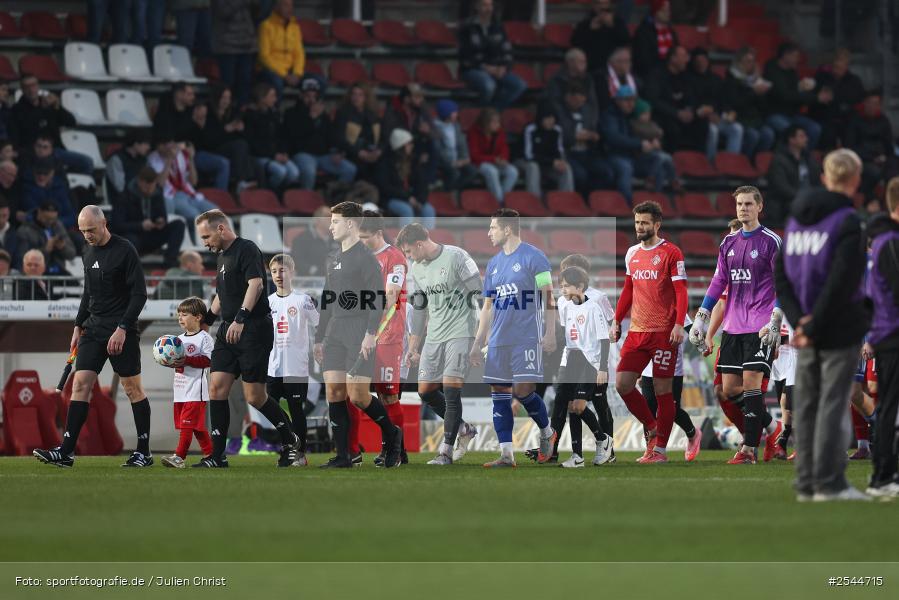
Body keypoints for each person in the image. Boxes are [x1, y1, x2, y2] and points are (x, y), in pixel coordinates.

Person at [774, 149, 871, 501]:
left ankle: (807, 482)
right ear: (855, 180)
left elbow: (781, 277)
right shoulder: (848, 221)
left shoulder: (796, 220)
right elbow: (842, 280)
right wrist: (813, 323)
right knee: (832, 405)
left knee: (809, 405)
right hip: (837, 327)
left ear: (824, 177)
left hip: (803, 329)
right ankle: (830, 483)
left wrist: (799, 320)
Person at [34, 206, 152, 468]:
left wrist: (122, 328)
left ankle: (143, 451)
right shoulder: (87, 252)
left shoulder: (125, 250)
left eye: (91, 229)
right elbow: (88, 293)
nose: (86, 235)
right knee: (80, 385)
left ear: (104, 223)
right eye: (82, 230)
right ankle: (66, 451)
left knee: (132, 388)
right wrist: (78, 326)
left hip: (121, 330)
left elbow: (139, 295)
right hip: (93, 329)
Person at [193, 209, 301, 468]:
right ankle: (217, 456)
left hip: (253, 328)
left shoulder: (247, 249)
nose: (204, 242)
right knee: (216, 388)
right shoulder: (221, 257)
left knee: (254, 396)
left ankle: (290, 440)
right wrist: (207, 321)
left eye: (206, 236)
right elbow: (221, 295)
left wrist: (241, 319)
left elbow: (257, 285)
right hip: (228, 329)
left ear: (221, 228)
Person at [690, 186, 785, 465]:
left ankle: (748, 450)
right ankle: (772, 429)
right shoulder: (728, 243)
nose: (743, 208)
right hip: (733, 326)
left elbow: (782, 283)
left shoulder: (771, 241)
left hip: (760, 326)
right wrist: (703, 315)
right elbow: (719, 281)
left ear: (759, 207)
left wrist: (775, 318)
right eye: (739, 204)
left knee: (752, 384)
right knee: (730, 389)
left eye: (747, 204)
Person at [312, 201, 404, 469]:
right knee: (334, 392)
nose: (330, 226)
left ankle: (392, 433)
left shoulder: (366, 258)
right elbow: (326, 299)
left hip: (358, 331)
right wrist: (319, 337)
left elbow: (377, 300)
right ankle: (344, 455)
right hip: (335, 331)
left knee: (359, 396)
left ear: (350, 224)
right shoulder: (333, 257)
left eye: (335, 221)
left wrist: (369, 334)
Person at [469, 208, 557, 467]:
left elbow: (548, 297)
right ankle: (506, 454)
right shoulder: (494, 264)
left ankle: (547, 431)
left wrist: (549, 332)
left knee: (522, 390)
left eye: (493, 227)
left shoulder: (535, 258)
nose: (489, 233)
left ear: (507, 229)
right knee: (499, 392)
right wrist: (478, 342)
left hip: (526, 337)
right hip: (498, 340)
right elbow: (487, 307)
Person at [610, 201, 687, 464]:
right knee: (622, 384)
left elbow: (681, 291)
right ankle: (652, 427)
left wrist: (678, 324)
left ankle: (660, 451)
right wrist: (616, 320)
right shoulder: (631, 253)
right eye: (637, 222)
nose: (639, 227)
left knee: (663, 389)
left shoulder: (671, 253)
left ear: (657, 224)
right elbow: (628, 289)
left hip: (664, 332)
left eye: (644, 223)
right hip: (637, 331)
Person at [397, 223, 481, 465]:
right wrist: (413, 346)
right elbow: (421, 310)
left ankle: (445, 452)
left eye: (409, 251)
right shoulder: (417, 268)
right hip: (434, 336)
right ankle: (464, 428)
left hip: (460, 332)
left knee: (451, 390)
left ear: (420, 244)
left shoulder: (457, 257)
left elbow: (479, 294)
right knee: (426, 391)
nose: (408, 257)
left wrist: (480, 336)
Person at [358, 213, 411, 465]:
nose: (361, 241)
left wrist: (372, 326)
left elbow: (391, 295)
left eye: (364, 237)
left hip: (388, 334)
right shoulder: (364, 258)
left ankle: (398, 450)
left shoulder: (394, 257)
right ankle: (389, 447)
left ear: (377, 233)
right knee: (375, 395)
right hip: (366, 335)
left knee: (389, 395)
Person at [555, 266, 613, 468]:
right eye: (561, 286)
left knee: (579, 406)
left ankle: (602, 439)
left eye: (567, 286)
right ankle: (577, 456)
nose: (563, 290)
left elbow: (604, 340)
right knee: (572, 407)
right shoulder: (567, 307)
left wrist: (602, 368)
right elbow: (570, 339)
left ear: (580, 286)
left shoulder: (593, 308)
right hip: (573, 360)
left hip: (590, 362)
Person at [863, 178, 899, 497]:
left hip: (886, 333)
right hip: (893, 336)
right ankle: (884, 475)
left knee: (888, 405)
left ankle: (886, 473)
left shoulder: (884, 240)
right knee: (888, 406)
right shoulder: (891, 243)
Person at [267, 253, 320, 467]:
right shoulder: (267, 302)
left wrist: (319, 345)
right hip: (272, 365)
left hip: (295, 365)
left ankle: (299, 454)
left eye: (282, 270)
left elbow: (319, 324)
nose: (279, 275)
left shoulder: (303, 300)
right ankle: (288, 446)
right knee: (271, 409)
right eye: (274, 271)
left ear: (292, 272)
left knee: (296, 410)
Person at [639, 312, 702, 461]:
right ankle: (651, 448)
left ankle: (693, 434)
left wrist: (703, 344)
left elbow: (691, 331)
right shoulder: (645, 306)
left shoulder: (676, 308)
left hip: (672, 367)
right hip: (649, 367)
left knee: (670, 409)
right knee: (648, 407)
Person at [161, 297, 215, 468]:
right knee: (197, 427)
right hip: (180, 390)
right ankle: (212, 455)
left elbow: (208, 360)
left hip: (195, 390)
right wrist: (168, 361)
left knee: (187, 424)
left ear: (198, 317)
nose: (180, 318)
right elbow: (179, 363)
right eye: (179, 314)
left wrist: (187, 360)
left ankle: (179, 457)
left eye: (184, 314)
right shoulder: (177, 340)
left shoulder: (204, 338)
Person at [601, 85, 676, 201]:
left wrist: (654, 142)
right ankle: (627, 204)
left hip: (633, 156)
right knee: (625, 168)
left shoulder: (633, 115)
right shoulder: (609, 116)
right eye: (627, 100)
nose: (630, 104)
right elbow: (614, 138)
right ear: (617, 100)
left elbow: (647, 133)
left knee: (659, 167)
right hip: (614, 155)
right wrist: (640, 144)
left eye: (633, 100)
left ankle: (655, 203)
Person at [9, 75, 92, 175]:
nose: (31, 90)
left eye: (33, 85)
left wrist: (57, 107)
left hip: (55, 151)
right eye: (27, 87)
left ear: (38, 86)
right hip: (33, 153)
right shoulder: (17, 110)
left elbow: (71, 122)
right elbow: (17, 138)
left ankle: (68, 184)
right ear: (22, 89)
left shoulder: (49, 105)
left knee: (86, 163)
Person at [153, 82, 230, 191]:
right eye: (189, 94)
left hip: (193, 153)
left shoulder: (191, 111)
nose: (193, 97)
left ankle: (221, 198)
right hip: (172, 155)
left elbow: (203, 141)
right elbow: (164, 142)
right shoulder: (164, 114)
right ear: (179, 95)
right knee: (222, 163)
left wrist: (201, 125)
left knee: (223, 161)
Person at [286, 76, 357, 191]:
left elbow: (331, 135)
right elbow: (295, 136)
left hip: (323, 155)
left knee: (350, 169)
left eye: (314, 96)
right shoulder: (291, 113)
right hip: (303, 154)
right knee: (309, 172)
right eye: (308, 96)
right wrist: (311, 118)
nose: (311, 100)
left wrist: (336, 152)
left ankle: (334, 195)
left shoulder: (323, 115)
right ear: (301, 96)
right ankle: (306, 201)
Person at [147, 130, 219, 239]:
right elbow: (160, 184)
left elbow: (194, 182)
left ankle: (218, 243)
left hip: (188, 193)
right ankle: (199, 244)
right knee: (195, 215)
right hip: (170, 195)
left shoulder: (181, 155)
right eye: (168, 144)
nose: (172, 147)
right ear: (160, 146)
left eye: (172, 143)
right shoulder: (153, 158)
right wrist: (169, 159)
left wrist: (190, 158)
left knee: (215, 212)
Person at [112, 166, 187, 268]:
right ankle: (131, 267)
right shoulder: (124, 197)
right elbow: (117, 225)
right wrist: (140, 225)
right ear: (140, 182)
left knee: (179, 224)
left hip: (152, 234)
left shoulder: (157, 193)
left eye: (152, 186)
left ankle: (170, 261)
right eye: (147, 187)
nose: (150, 190)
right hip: (133, 236)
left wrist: (161, 221)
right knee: (131, 240)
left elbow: (162, 215)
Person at [457, 0, 527, 109]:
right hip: (472, 69)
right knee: (489, 86)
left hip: (497, 68)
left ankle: (494, 112)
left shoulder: (498, 26)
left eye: (490, 5)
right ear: (477, 7)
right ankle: (481, 113)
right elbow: (466, 56)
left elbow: (507, 50)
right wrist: (487, 68)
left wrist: (504, 67)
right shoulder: (467, 27)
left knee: (520, 85)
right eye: (485, 5)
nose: (488, 8)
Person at [643, 45, 711, 155]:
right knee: (672, 128)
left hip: (682, 114)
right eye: (683, 56)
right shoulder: (657, 74)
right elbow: (653, 100)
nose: (687, 60)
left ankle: (699, 160)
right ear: (673, 58)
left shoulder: (684, 76)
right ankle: (671, 161)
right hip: (663, 115)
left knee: (703, 124)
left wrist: (691, 110)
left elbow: (690, 97)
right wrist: (676, 113)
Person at [763, 42, 830, 151]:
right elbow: (785, 95)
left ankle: (804, 158)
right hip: (774, 113)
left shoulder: (793, 72)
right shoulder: (771, 71)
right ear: (785, 55)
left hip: (792, 114)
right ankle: (790, 159)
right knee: (792, 132)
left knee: (815, 128)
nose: (797, 59)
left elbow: (796, 95)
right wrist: (815, 97)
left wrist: (807, 91)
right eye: (795, 56)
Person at [556, 81, 613, 196]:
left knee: (607, 172)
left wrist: (593, 136)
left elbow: (595, 131)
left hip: (587, 153)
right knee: (580, 175)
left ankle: (592, 198)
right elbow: (556, 136)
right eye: (576, 99)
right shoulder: (559, 113)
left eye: (582, 100)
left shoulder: (587, 112)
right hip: (568, 153)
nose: (579, 102)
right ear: (568, 97)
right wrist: (574, 137)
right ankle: (581, 200)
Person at [196, 85, 256, 192]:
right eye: (223, 98)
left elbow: (239, 138)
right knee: (239, 146)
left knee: (247, 153)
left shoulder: (231, 113)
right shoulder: (208, 112)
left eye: (228, 98)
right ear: (216, 97)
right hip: (209, 150)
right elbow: (208, 141)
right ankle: (239, 183)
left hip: (226, 150)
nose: (226, 101)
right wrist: (225, 130)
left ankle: (252, 195)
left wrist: (240, 130)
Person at [688, 47, 744, 160]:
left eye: (703, 60)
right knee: (712, 130)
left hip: (718, 116)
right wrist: (706, 115)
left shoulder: (716, 79)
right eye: (698, 61)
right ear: (693, 62)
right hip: (699, 119)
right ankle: (710, 162)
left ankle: (730, 163)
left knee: (737, 128)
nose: (701, 64)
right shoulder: (688, 79)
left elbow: (724, 100)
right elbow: (690, 103)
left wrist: (728, 113)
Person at [244, 83, 300, 190]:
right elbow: (253, 143)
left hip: (277, 155)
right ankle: (270, 194)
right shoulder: (250, 116)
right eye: (272, 96)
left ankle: (281, 195)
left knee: (294, 173)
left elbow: (281, 136)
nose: (275, 99)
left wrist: (283, 152)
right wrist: (273, 155)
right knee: (280, 172)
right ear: (262, 98)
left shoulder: (274, 114)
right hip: (260, 156)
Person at [377, 129, 436, 229]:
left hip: (413, 198)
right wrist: (407, 198)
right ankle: (405, 242)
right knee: (406, 210)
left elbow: (422, 183)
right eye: (408, 144)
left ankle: (427, 242)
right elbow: (386, 188)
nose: (411, 146)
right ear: (401, 146)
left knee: (429, 210)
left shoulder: (413, 161)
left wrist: (420, 201)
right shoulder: (385, 163)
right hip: (392, 199)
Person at [845, 91, 898, 199]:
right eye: (870, 103)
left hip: (882, 157)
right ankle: (869, 202)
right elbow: (851, 146)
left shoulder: (883, 120)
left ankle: (890, 202)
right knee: (874, 173)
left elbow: (888, 144)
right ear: (864, 103)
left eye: (876, 103)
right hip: (863, 159)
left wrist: (888, 157)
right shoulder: (855, 120)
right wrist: (872, 158)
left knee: (893, 171)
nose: (873, 106)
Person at [723, 47, 775, 157]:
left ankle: (756, 161)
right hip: (739, 117)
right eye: (747, 61)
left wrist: (762, 94)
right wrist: (753, 92)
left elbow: (763, 107)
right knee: (753, 135)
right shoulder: (732, 79)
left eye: (752, 61)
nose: (750, 64)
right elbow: (735, 102)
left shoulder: (755, 79)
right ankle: (744, 160)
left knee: (769, 134)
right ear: (739, 62)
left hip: (755, 118)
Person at [810, 48, 865, 150]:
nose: (836, 70)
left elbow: (858, 97)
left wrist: (835, 97)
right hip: (826, 115)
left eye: (840, 67)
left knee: (852, 129)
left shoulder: (854, 80)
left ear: (846, 66)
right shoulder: (822, 77)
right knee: (828, 131)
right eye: (835, 67)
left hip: (846, 116)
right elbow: (814, 95)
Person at [766, 125, 821, 225]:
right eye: (802, 136)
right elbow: (781, 187)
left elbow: (818, 181)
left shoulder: (809, 159)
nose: (806, 139)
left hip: (808, 201)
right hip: (785, 204)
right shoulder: (779, 160)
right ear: (791, 140)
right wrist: (802, 198)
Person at [522, 102, 574, 197]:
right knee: (533, 166)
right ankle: (535, 199)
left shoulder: (557, 130)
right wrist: (552, 162)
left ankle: (567, 199)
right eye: (547, 118)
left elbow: (559, 151)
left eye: (552, 118)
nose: (551, 121)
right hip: (526, 163)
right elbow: (528, 156)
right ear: (541, 118)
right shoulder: (530, 129)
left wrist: (560, 162)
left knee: (566, 167)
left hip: (548, 164)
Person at [334, 83, 383, 184]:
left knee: (383, 165)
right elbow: (340, 139)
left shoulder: (372, 115)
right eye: (354, 94)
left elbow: (381, 136)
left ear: (366, 97)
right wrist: (359, 152)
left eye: (360, 95)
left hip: (369, 151)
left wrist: (378, 151)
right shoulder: (343, 113)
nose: (356, 98)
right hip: (351, 152)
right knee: (362, 168)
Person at [257, 0, 307, 99]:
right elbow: (264, 56)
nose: (290, 9)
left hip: (291, 72)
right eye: (286, 5)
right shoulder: (266, 26)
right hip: (271, 71)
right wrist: (284, 75)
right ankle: (276, 113)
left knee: (318, 82)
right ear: (276, 7)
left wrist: (297, 73)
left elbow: (299, 53)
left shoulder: (295, 27)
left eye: (291, 5)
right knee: (277, 83)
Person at [212, 0, 258, 106]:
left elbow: (258, 14)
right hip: (227, 45)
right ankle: (226, 113)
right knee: (228, 83)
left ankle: (242, 115)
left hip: (247, 44)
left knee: (245, 83)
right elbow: (223, 11)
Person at [468, 108, 518, 203]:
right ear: (485, 123)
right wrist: (493, 159)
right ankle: (499, 201)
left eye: (498, 122)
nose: (497, 124)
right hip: (479, 162)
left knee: (513, 171)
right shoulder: (474, 132)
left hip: (496, 161)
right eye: (494, 122)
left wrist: (503, 158)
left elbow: (504, 148)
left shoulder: (500, 132)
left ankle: (504, 199)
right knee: (492, 171)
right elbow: (474, 155)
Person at [15, 201, 76, 275]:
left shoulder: (57, 225)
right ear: (39, 212)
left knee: (77, 285)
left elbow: (71, 254)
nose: (50, 222)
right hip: (36, 274)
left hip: (58, 271)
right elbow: (22, 259)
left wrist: (63, 247)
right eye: (47, 218)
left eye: (53, 219)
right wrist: (45, 250)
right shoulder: (24, 230)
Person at [571, 0, 631, 74]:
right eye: (598, 3)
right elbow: (576, 45)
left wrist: (612, 26)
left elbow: (626, 42)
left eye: (605, 3)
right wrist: (590, 31)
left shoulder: (618, 23)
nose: (602, 6)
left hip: (614, 68)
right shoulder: (585, 24)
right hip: (591, 69)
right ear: (593, 5)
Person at [433, 100, 478, 193]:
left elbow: (462, 143)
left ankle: (453, 190)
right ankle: (447, 192)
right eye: (454, 112)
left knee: (471, 170)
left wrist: (464, 158)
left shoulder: (456, 126)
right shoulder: (435, 128)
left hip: (457, 160)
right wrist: (452, 162)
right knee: (453, 172)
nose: (456, 114)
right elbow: (438, 149)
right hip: (443, 161)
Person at [21, 158, 76, 229]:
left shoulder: (60, 188)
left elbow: (70, 215)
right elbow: (32, 214)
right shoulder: (27, 188)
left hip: (60, 227)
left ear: (52, 173)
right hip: (36, 230)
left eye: (45, 173)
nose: (41, 176)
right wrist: (41, 188)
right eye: (38, 173)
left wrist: (56, 223)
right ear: (33, 171)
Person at [547, 48, 600, 120]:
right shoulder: (557, 80)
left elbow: (592, 104)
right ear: (570, 62)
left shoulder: (588, 80)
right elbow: (556, 104)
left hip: (584, 121)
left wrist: (588, 127)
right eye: (581, 62)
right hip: (564, 121)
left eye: (584, 61)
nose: (584, 64)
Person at [631, 0, 679, 78]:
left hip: (672, 75)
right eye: (664, 10)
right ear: (655, 12)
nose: (668, 13)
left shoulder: (671, 31)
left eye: (668, 10)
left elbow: (677, 50)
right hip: (652, 76)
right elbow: (643, 61)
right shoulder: (643, 32)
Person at [106, 129, 152, 201]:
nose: (148, 147)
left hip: (140, 199)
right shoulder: (117, 159)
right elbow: (120, 188)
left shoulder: (143, 160)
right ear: (136, 143)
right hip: (121, 202)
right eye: (146, 144)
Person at [290, 205, 335, 277]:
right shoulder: (302, 239)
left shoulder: (336, 240)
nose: (331, 219)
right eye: (327, 216)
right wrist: (315, 271)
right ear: (317, 220)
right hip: (309, 282)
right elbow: (297, 261)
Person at [0, 197, 17, 263]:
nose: (1, 220)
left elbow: (18, 258)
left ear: (9, 214)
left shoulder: (15, 233)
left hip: (11, 272)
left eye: (4, 216)